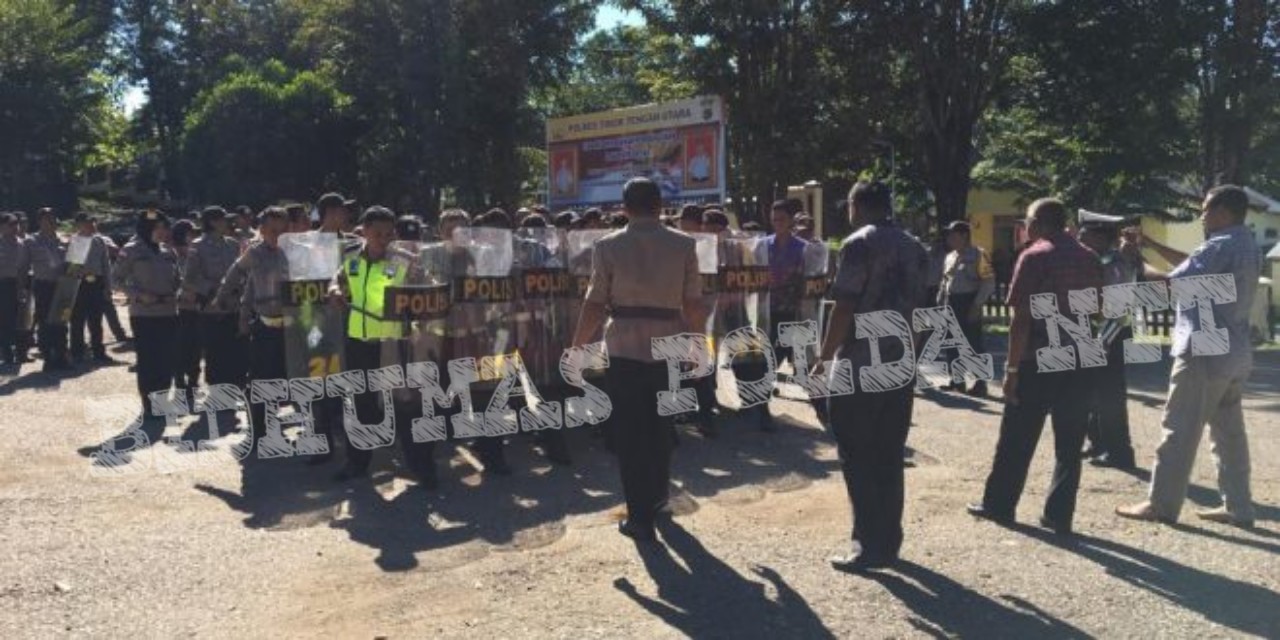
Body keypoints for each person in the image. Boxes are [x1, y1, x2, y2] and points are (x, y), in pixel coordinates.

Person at [572, 177, 706, 543]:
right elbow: (694, 302)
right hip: (669, 346)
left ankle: (640, 517)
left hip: (625, 348)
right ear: (660, 205)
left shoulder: (608, 246)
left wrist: (578, 347)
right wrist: (699, 345)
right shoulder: (684, 244)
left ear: (624, 208)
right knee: (662, 427)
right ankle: (660, 497)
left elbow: (595, 303)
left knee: (631, 435)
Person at [1116, 185, 1260, 527]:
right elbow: (1190, 266)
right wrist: (1150, 245)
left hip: (1203, 350)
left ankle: (1161, 504)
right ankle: (1239, 507)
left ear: (1224, 211)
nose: (1202, 214)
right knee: (1229, 435)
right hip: (1234, 351)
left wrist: (1136, 260)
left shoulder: (1219, 245)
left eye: (1207, 208)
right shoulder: (1244, 243)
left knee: (1179, 427)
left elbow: (1170, 285)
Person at [968, 198, 1103, 536]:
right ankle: (1059, 515)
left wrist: (1011, 371)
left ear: (1040, 223)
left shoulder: (1033, 256)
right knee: (1069, 444)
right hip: (1080, 357)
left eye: (1026, 221)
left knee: (1017, 437)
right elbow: (1099, 308)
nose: (1023, 228)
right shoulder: (1089, 257)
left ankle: (1000, 505)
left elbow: (1020, 319)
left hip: (1038, 357)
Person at [815, 181, 927, 572]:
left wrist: (824, 355)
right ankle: (890, 539)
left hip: (860, 361)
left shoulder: (858, 244)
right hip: (899, 360)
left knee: (857, 455)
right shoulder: (915, 245)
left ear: (856, 205)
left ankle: (867, 544)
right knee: (889, 453)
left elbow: (843, 306)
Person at [327, 206, 436, 485]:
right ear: (363, 231)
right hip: (359, 342)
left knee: (406, 405)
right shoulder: (351, 256)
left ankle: (422, 467)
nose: (384, 239)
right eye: (377, 233)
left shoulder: (405, 260)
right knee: (362, 405)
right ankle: (357, 463)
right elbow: (337, 280)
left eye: (389, 233)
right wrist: (335, 291)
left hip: (394, 344)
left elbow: (431, 289)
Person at [215, 207, 290, 444]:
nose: (276, 234)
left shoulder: (291, 252)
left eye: (281, 229)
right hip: (264, 324)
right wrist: (222, 297)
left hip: (289, 326)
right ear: (262, 229)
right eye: (271, 229)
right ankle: (258, 431)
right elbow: (235, 272)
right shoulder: (256, 253)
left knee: (281, 378)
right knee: (260, 379)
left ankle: (272, 423)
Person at [1077, 221, 1140, 469]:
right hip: (1097, 332)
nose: (1080, 241)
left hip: (1110, 334)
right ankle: (1099, 442)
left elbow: (1117, 308)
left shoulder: (1115, 263)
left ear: (1101, 238)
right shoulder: (1099, 260)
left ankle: (1120, 452)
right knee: (1092, 392)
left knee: (1110, 395)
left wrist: (1103, 341)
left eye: (1085, 236)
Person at [113, 211, 180, 418]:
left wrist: (176, 294)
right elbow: (115, 280)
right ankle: (149, 403)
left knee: (167, 359)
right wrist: (138, 295)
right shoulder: (131, 250)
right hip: (144, 313)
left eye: (164, 227)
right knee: (149, 359)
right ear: (147, 228)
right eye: (158, 227)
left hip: (168, 312)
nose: (163, 231)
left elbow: (178, 280)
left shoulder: (168, 251)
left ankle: (162, 399)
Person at [181, 206, 244, 427]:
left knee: (234, 351)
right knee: (215, 353)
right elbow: (189, 279)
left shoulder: (233, 245)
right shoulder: (197, 247)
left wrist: (238, 289)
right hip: (212, 308)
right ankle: (218, 395)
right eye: (224, 220)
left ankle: (232, 393)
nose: (228, 223)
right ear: (213, 222)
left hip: (234, 306)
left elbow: (242, 272)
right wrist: (213, 290)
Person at [937, 221, 996, 396]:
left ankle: (980, 383)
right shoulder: (950, 257)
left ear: (964, 236)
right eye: (948, 235)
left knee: (974, 344)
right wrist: (940, 303)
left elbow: (988, 281)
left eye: (953, 234)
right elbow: (944, 282)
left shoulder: (979, 254)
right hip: (951, 303)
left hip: (969, 302)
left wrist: (977, 305)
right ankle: (957, 381)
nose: (949, 238)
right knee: (951, 343)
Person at [69, 213, 115, 364]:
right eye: (87, 223)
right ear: (79, 225)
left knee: (96, 320)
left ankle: (98, 351)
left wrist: (108, 286)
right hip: (79, 284)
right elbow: (72, 268)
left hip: (97, 283)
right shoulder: (75, 241)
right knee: (77, 320)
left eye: (93, 222)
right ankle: (77, 352)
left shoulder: (99, 241)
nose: (91, 225)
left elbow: (106, 264)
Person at [29, 208, 70, 371]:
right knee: (45, 322)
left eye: (53, 218)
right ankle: (48, 357)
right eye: (46, 219)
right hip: (43, 285)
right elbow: (24, 266)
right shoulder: (32, 241)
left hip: (63, 286)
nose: (51, 221)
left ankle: (62, 356)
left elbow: (73, 264)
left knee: (62, 322)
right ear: (40, 221)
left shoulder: (65, 240)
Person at [0, 213, 31, 365]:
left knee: (23, 320)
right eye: (10, 224)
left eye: (16, 224)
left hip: (21, 283)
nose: (15, 227)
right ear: (2, 226)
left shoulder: (22, 244)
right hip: (3, 284)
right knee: (6, 320)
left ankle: (22, 353)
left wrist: (23, 286)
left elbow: (25, 266)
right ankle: (7, 354)